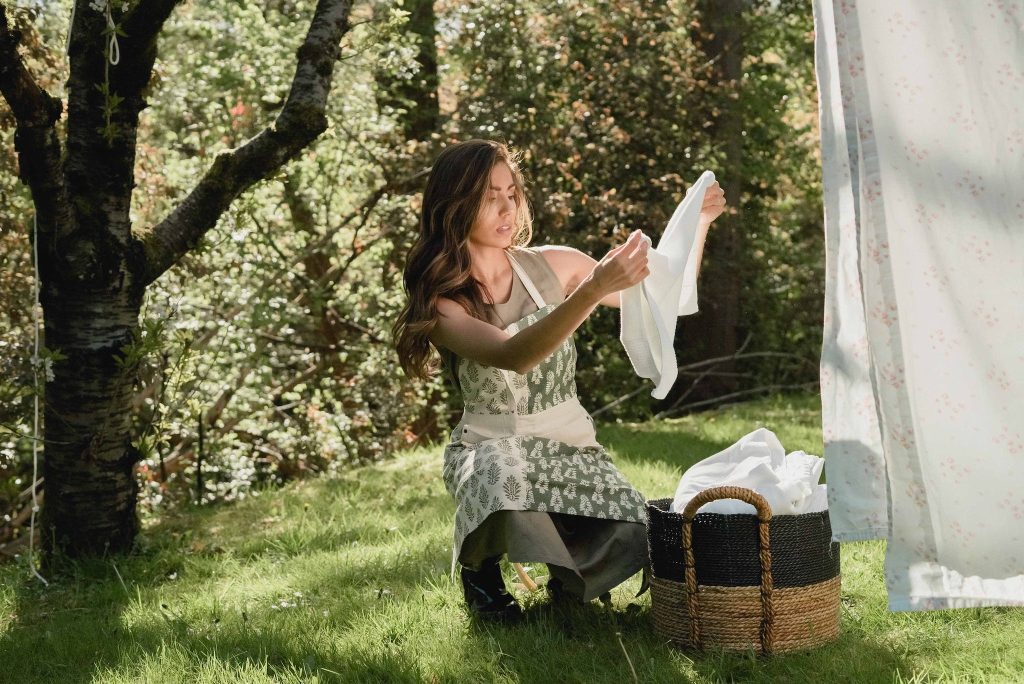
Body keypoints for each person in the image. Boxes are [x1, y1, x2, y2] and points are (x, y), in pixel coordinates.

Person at [394, 139, 726, 621]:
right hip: (491, 446)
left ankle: (569, 584)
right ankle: (483, 579)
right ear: (455, 204)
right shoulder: (445, 302)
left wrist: (698, 226)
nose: (508, 207)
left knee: (642, 529)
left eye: (513, 192)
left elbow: (664, 301)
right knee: (503, 475)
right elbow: (515, 355)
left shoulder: (556, 263)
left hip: (569, 441)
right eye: (491, 196)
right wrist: (592, 289)